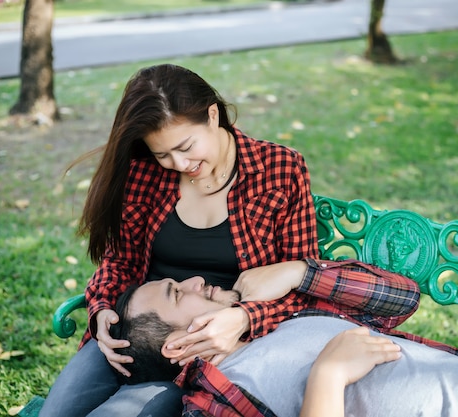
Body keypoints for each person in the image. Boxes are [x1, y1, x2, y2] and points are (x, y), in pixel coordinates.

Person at [40, 63, 319, 417]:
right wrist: (102, 311)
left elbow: (305, 285)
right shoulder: (145, 173)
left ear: (213, 116)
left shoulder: (280, 169)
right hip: (133, 335)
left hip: (209, 348)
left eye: (186, 146)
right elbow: (119, 262)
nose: (179, 163)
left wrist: (246, 318)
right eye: (162, 154)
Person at [112, 259, 458, 417]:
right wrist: (328, 377)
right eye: (178, 293)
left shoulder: (274, 314)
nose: (196, 281)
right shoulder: (212, 402)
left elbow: (403, 297)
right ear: (175, 347)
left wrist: (300, 273)